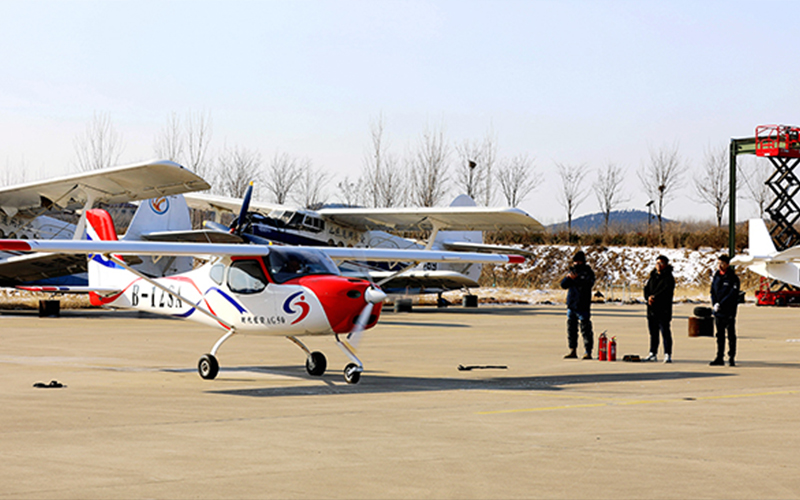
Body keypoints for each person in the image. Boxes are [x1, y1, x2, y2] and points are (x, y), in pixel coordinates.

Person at [560, 250, 595, 360]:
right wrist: (568, 278)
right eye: (575, 262)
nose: (577, 264)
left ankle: (588, 351)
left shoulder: (588, 272)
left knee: (586, 329)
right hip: (572, 304)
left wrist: (577, 279)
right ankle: (572, 350)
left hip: (583, 305)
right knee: (571, 329)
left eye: (579, 262)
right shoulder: (572, 272)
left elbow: (588, 284)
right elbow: (563, 285)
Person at [643, 255, 675, 363]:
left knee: (665, 332)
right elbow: (646, 289)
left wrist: (655, 297)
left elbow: (666, 292)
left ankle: (667, 354)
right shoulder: (653, 276)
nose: (658, 265)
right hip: (652, 309)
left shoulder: (669, 278)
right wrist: (648, 297)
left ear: (666, 264)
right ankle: (653, 353)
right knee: (653, 332)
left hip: (663, 309)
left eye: (661, 263)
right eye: (657, 263)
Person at [710, 254, 740, 367]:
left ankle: (731, 356)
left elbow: (732, 294)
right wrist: (715, 303)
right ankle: (719, 357)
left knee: (731, 334)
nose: (720, 266)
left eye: (722, 263)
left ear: (727, 264)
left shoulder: (733, 278)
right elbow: (713, 292)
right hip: (718, 311)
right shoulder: (716, 276)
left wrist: (721, 304)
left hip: (729, 310)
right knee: (719, 335)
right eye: (718, 263)